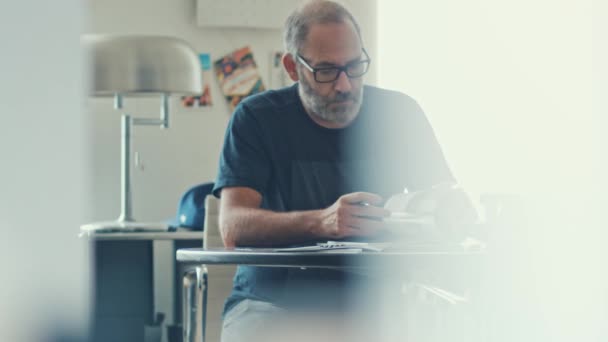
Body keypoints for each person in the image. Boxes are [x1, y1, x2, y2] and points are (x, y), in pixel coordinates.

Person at [212, 1, 457, 340]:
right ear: (292, 67)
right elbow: (233, 225)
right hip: (272, 303)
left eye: (355, 67)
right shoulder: (257, 118)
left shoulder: (400, 114)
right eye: (326, 71)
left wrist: (442, 212)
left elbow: (444, 204)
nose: (344, 85)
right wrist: (321, 222)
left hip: (375, 305)